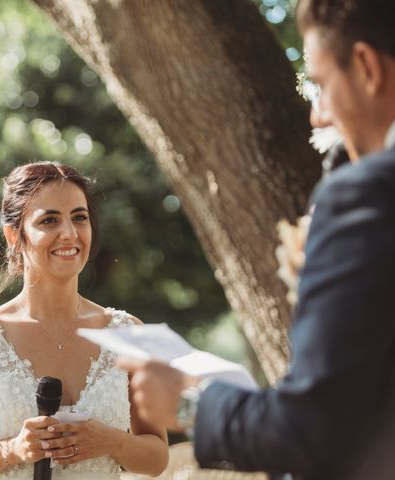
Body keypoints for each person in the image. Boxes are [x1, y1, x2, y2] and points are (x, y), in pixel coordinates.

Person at [118, 0, 395, 479]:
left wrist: (188, 404)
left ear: (368, 67)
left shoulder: (368, 194)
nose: (317, 116)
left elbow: (305, 432)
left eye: (322, 86)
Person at [0, 161, 168, 479]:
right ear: (14, 235)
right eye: (49, 220)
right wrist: (12, 450)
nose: (69, 234)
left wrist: (111, 441)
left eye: (79, 218)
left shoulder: (130, 335)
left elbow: (156, 458)